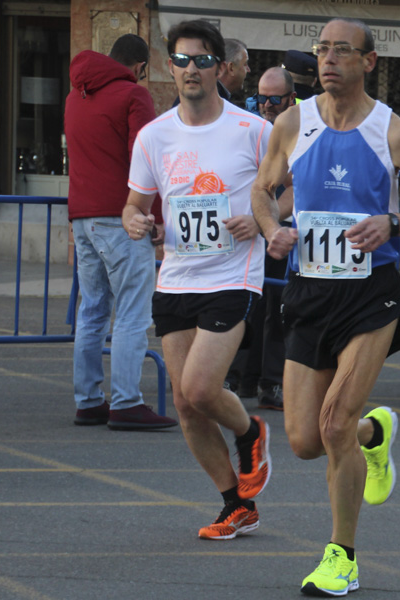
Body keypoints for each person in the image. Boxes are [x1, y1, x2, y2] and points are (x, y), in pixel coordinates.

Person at [251, 17, 400, 596]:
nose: (329, 60)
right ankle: (376, 434)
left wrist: (394, 221)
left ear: (369, 62)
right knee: (303, 440)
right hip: (311, 289)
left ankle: (341, 557)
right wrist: (272, 228)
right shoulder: (294, 122)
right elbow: (262, 189)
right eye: (322, 49)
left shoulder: (393, 132)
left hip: (372, 292)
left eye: (343, 50)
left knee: (334, 420)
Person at [123, 19, 272, 541]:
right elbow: (133, 206)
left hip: (234, 272)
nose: (192, 69)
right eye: (183, 60)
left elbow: (291, 188)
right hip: (177, 276)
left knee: (202, 387)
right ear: (170, 67)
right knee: (185, 403)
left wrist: (261, 220)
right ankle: (236, 504)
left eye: (203, 60)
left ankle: (251, 431)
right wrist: (138, 222)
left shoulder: (253, 131)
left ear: (220, 68)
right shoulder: (154, 135)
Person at [64, 34, 178, 431]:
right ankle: (128, 401)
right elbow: (144, 160)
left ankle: (89, 400)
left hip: (82, 216)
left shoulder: (75, 94)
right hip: (123, 216)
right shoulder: (133, 96)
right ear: (141, 66)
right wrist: (157, 215)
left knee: (92, 310)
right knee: (132, 311)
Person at [229, 67, 298, 410]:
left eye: (274, 99)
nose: (266, 105)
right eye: (261, 98)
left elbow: (295, 188)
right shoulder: (246, 126)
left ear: (290, 97)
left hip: (279, 232)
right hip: (245, 231)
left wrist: (266, 223)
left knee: (276, 307)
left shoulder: (301, 129)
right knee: (244, 305)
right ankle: (241, 375)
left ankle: (271, 383)